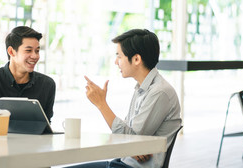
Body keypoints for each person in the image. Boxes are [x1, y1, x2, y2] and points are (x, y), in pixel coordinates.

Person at [68, 29, 181, 168]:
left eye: (119, 56)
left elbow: (130, 139)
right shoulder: (141, 88)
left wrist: (101, 104)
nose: (116, 62)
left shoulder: (160, 92)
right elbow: (129, 137)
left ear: (136, 59)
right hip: (122, 162)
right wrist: (132, 145)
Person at [0, 26, 56, 127]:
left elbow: (45, 124)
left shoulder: (47, 84)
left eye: (37, 51)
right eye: (28, 50)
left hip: (33, 142)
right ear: (11, 52)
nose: (35, 56)